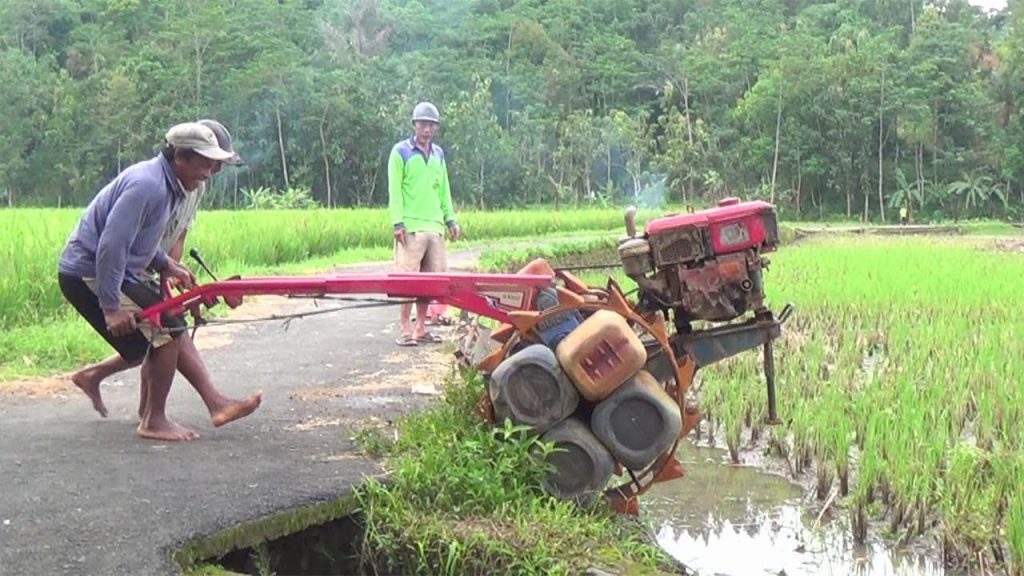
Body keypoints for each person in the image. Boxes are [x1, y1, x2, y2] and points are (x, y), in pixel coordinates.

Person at [59, 122, 257, 441]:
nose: (209, 173)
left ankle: (147, 408)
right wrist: (111, 307)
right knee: (167, 329)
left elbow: (141, 240)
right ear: (180, 157)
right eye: (205, 164)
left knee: (151, 337)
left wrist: (167, 264)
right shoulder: (147, 185)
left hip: (118, 270)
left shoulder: (172, 187)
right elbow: (112, 245)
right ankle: (154, 420)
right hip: (89, 271)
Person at [387, 101, 460, 347]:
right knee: (407, 282)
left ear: (436, 128)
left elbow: (445, 190)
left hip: (435, 227)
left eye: (431, 125)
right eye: (423, 124)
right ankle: (405, 329)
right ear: (414, 125)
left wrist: (450, 219)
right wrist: (397, 222)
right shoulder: (400, 152)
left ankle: (421, 328)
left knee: (431, 283)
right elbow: (394, 190)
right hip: (411, 228)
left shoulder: (438, 154)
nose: (427, 129)